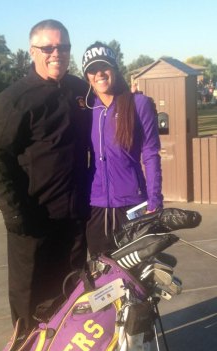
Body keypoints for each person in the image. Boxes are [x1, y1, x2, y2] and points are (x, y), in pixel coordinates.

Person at [0, 19, 91, 334]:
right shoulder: (15, 99)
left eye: (64, 47)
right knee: (30, 303)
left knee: (71, 297)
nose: (57, 53)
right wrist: (15, 213)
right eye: (49, 47)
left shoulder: (78, 90)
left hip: (74, 219)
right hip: (32, 221)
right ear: (33, 51)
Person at [82, 42, 163, 256]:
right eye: (92, 69)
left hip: (132, 206)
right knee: (102, 278)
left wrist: (154, 201)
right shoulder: (87, 110)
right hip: (96, 208)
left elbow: (151, 155)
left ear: (115, 69)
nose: (99, 73)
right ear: (87, 76)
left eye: (104, 66)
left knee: (137, 278)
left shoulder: (139, 104)